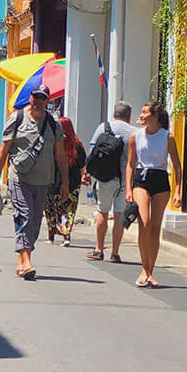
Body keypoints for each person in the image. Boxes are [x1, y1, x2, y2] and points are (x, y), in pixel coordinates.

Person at [0, 87, 69, 280]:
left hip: (44, 180)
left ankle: (24, 256)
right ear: (30, 98)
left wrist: (65, 182)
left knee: (34, 221)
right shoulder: (17, 118)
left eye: (43, 98)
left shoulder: (52, 122)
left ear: (47, 100)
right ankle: (27, 261)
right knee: (23, 215)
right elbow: (3, 150)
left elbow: (60, 154)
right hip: (19, 177)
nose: (38, 101)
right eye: (36, 97)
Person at [126, 100, 181, 288]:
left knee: (156, 227)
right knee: (144, 222)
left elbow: (177, 165)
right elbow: (130, 164)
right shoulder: (136, 136)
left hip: (160, 178)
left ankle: (150, 271)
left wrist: (179, 191)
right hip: (141, 177)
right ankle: (143, 268)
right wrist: (128, 188)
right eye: (141, 112)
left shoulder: (168, 137)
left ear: (155, 116)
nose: (141, 115)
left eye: (144, 112)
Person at [83, 102, 136, 263]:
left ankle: (99, 249)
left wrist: (86, 172)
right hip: (125, 181)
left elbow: (93, 151)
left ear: (114, 114)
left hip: (105, 177)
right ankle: (115, 252)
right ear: (129, 116)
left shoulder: (104, 127)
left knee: (102, 212)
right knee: (120, 215)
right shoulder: (134, 132)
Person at [44, 117, 85, 245]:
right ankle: (66, 236)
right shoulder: (77, 145)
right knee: (68, 210)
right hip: (73, 183)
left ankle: (50, 236)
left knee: (50, 209)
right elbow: (83, 164)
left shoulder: (53, 143)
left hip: (52, 181)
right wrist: (84, 176)